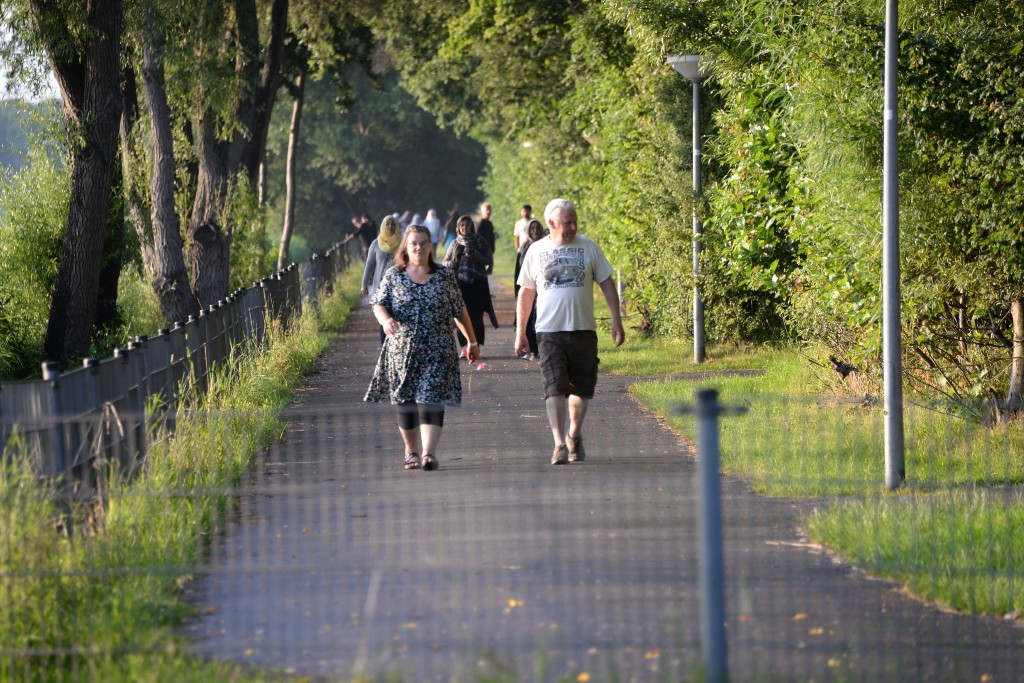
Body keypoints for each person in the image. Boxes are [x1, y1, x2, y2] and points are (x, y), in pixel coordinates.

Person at [514, 198, 625, 465]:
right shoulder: (536, 251)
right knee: (553, 388)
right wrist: (520, 333)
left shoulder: (589, 247)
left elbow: (607, 283)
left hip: (583, 330)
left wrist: (616, 320)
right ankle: (558, 444)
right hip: (549, 332)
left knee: (581, 390)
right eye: (567, 223)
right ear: (551, 224)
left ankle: (574, 435)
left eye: (575, 222)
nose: (573, 227)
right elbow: (526, 293)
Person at [364, 225, 480, 472]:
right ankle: (411, 452)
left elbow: (459, 310)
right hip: (402, 350)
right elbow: (378, 304)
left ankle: (428, 453)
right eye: (414, 243)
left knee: (432, 399)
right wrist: (386, 321)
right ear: (406, 246)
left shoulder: (444, 276)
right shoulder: (394, 275)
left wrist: (471, 341)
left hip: (438, 349)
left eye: (423, 242)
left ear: (431, 245)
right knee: (405, 401)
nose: (419, 247)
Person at [443, 215, 493, 348]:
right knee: (462, 315)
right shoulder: (454, 243)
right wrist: (452, 264)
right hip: (459, 285)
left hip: (477, 284)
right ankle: (464, 347)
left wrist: (478, 257)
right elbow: (445, 261)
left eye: (467, 225)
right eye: (462, 225)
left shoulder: (480, 241)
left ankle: (475, 345)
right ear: (458, 228)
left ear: (472, 226)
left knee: (476, 316)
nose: (465, 228)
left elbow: (489, 259)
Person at [362, 215, 402, 343]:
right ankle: (385, 344)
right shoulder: (376, 244)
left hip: (400, 288)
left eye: (393, 225)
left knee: (398, 317)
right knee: (384, 318)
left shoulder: (403, 243)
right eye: (387, 224)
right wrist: (364, 284)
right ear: (383, 227)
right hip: (381, 288)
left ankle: (397, 343)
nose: (390, 227)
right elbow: (369, 265)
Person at [513, 219, 546, 359]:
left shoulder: (546, 246)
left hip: (542, 288)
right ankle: (529, 347)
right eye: (532, 229)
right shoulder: (524, 247)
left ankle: (540, 347)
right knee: (528, 315)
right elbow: (518, 271)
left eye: (537, 228)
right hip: (527, 287)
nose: (535, 231)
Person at [476, 202, 496, 270]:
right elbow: (478, 238)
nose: (488, 212)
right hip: (483, 253)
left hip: (489, 252)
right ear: (482, 212)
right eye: (486, 210)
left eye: (489, 209)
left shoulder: (489, 223)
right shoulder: (481, 224)